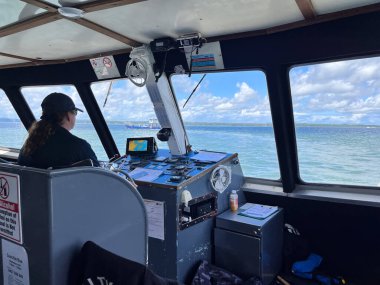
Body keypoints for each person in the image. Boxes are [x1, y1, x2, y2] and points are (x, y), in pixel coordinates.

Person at [18, 92, 100, 168]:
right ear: (68, 115)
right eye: (75, 112)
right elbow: (100, 178)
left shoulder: (29, 145)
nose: (75, 116)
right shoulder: (80, 146)